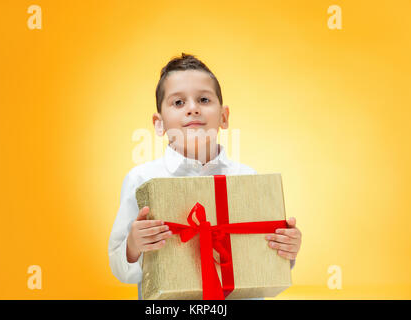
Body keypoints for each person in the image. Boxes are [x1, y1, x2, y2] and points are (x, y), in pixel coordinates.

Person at [108, 53, 302, 300]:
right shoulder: (142, 180)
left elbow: (262, 261)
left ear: (224, 117)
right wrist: (134, 245)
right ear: (159, 124)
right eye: (178, 103)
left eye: (203, 99)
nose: (193, 108)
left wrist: (288, 248)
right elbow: (119, 263)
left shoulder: (246, 178)